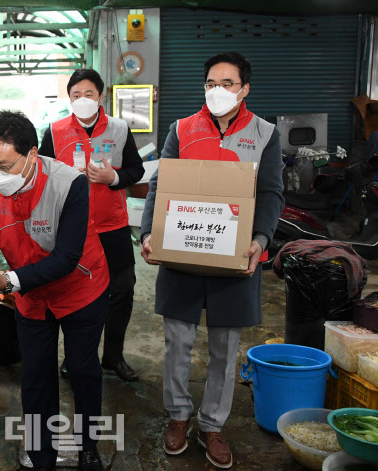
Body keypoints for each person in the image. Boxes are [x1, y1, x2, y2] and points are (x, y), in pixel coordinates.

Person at [140, 52, 284, 469]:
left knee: (225, 347)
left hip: (235, 258)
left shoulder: (264, 133)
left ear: (244, 89)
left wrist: (260, 239)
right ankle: (179, 416)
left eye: (226, 83)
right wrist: (149, 233)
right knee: (177, 343)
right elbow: (159, 186)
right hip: (183, 256)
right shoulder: (181, 129)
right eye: (210, 83)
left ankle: (212, 424)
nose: (217, 91)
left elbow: (272, 193)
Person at [0, 111, 110, 471]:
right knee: (36, 376)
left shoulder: (69, 183)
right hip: (31, 298)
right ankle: (42, 455)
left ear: (33, 154)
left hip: (80, 290)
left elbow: (67, 258)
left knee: (83, 368)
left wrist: (6, 282)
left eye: (5, 165)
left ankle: (89, 446)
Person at [39, 68, 144, 382]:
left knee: (122, 291)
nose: (82, 100)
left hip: (112, 226)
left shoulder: (120, 129)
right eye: (76, 95)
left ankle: (113, 357)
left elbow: (137, 171)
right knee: (75, 293)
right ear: (69, 99)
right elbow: (41, 178)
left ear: (101, 96)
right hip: (73, 229)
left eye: (89, 94)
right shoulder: (54, 132)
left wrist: (113, 178)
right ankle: (75, 358)